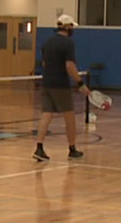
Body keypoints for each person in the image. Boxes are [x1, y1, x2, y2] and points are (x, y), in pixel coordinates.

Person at [34, 14, 88, 162]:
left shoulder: (47, 43)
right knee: (69, 117)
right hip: (61, 85)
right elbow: (69, 65)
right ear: (67, 27)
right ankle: (72, 149)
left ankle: (39, 148)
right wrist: (80, 83)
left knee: (46, 115)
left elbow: (45, 64)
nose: (72, 29)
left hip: (46, 83)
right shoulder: (68, 43)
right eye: (71, 26)